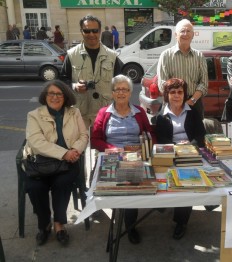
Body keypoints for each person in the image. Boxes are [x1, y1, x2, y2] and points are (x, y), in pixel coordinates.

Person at [91, 74, 155, 244]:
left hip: (135, 156)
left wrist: (144, 148)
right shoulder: (104, 113)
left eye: (124, 89)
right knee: (122, 184)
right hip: (112, 156)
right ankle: (126, 219)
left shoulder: (139, 112)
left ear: (130, 92)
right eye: (117, 89)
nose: (121, 92)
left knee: (133, 185)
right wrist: (113, 149)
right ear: (112, 93)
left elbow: (150, 134)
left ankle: (130, 225)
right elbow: (95, 139)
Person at [23, 79, 89, 246]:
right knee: (35, 187)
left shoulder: (74, 112)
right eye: (51, 93)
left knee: (63, 182)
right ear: (45, 96)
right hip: (40, 164)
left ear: (65, 97)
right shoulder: (34, 115)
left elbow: (83, 136)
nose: (55, 97)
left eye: (59, 94)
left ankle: (59, 224)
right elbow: (36, 143)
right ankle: (44, 224)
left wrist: (74, 150)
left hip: (67, 164)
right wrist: (64, 153)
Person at [155, 78, 206, 240]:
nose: (177, 95)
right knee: (166, 179)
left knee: (189, 183)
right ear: (166, 95)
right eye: (172, 92)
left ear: (184, 94)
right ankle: (164, 206)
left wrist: (189, 147)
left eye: (180, 92)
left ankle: (181, 222)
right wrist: (177, 148)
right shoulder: (162, 117)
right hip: (171, 154)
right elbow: (162, 140)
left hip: (191, 153)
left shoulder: (193, 112)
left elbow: (200, 136)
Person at [60, 15, 123, 128]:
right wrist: (74, 86)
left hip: (105, 114)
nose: (91, 34)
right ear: (81, 31)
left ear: (100, 32)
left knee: (103, 145)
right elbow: (62, 81)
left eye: (95, 30)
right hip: (79, 114)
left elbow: (120, 84)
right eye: (87, 31)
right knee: (80, 145)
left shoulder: (112, 56)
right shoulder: (71, 55)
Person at [157, 19, 208, 119]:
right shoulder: (166, 55)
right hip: (172, 104)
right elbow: (162, 83)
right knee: (171, 134)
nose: (185, 34)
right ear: (176, 35)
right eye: (182, 31)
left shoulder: (199, 56)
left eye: (188, 31)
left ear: (193, 35)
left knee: (196, 134)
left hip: (194, 104)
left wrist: (192, 101)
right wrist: (177, 100)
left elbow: (204, 83)